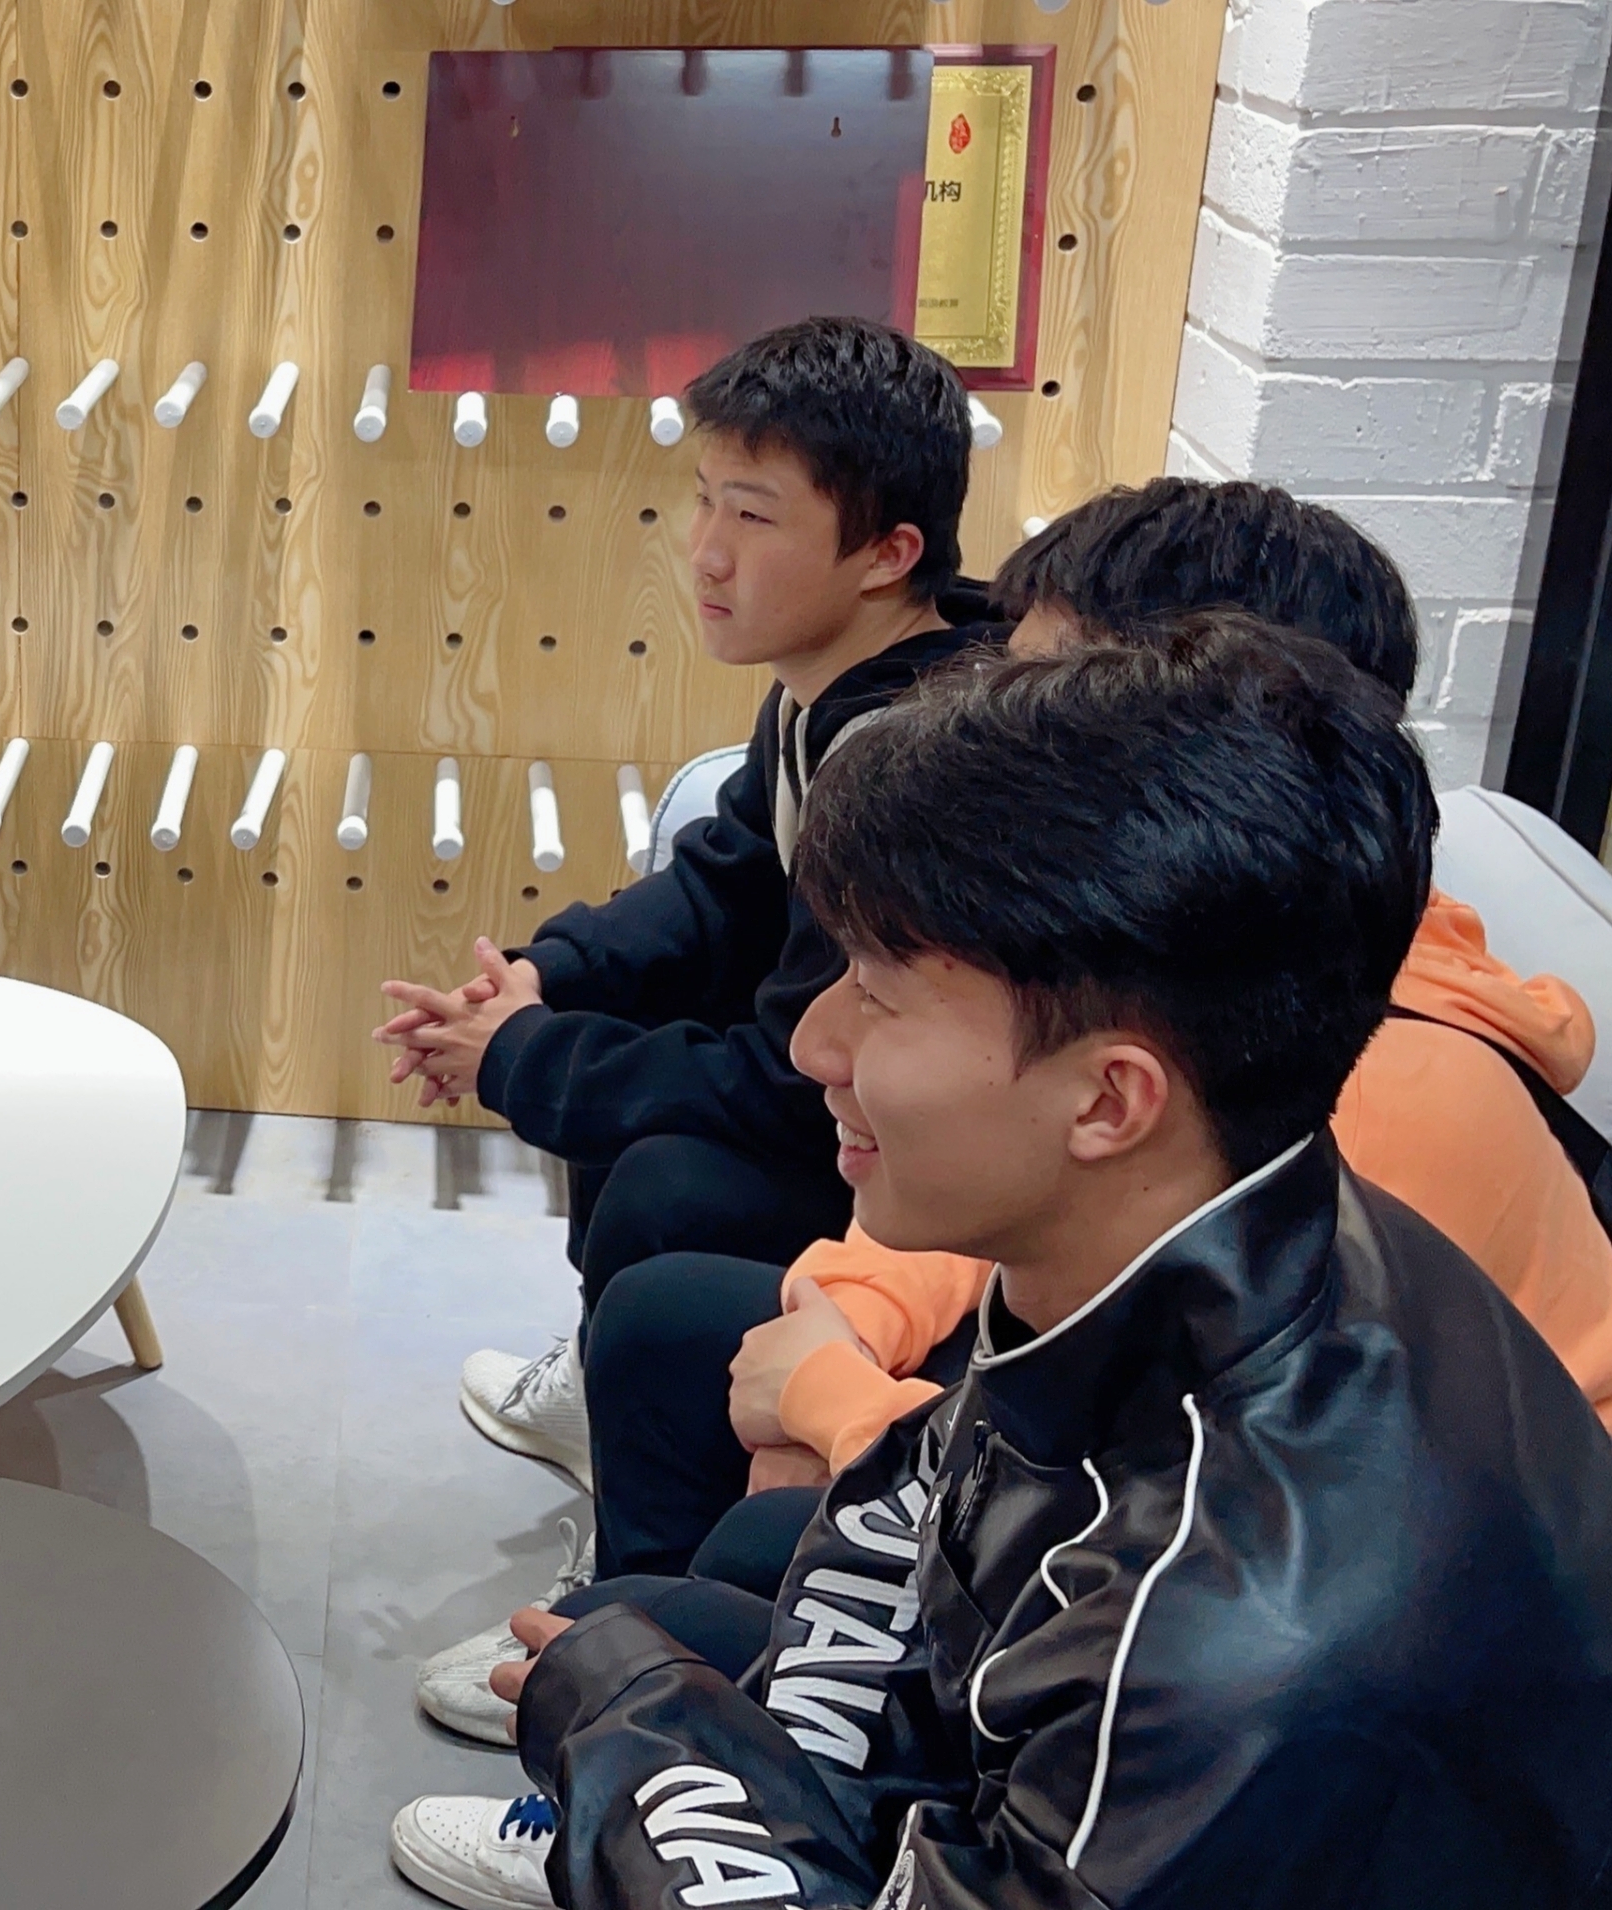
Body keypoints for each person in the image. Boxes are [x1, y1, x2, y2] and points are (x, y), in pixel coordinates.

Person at [386, 620, 1612, 1910]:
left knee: (630, 1674)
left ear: (1109, 1099)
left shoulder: (1222, 1657)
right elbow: (950, 1516)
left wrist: (644, 1767)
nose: (812, 1044)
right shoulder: (1227, 1222)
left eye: (878, 992)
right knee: (649, 1625)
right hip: (1042, 1760)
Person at [377, 317, 1002, 1512]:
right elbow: (724, 876)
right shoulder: (825, 689)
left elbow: (799, 1074)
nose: (705, 553)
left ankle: (638, 1479)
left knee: (661, 1177)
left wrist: (523, 1054)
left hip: (915, 1164)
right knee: (614, 1040)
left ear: (888, 552)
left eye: (753, 517)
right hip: (841, 1108)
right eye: (704, 500)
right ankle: (606, 1387)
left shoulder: (918, 759)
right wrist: (548, 976)